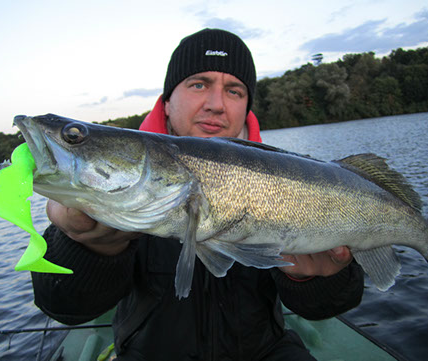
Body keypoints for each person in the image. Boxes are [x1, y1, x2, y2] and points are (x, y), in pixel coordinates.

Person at [32, 28, 364, 360]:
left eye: (234, 91)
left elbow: (325, 307)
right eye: (199, 84)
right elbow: (63, 305)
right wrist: (87, 248)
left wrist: (319, 279)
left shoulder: (292, 180)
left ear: (247, 107)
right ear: (166, 101)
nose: (217, 104)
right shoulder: (108, 195)